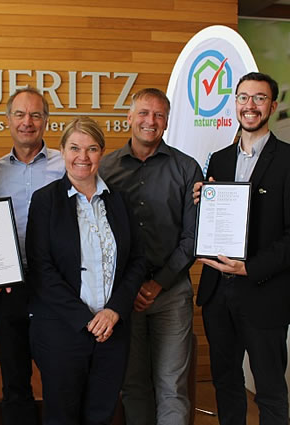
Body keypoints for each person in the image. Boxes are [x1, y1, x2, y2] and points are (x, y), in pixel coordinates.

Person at [193, 72, 290, 425]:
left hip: (266, 290)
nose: (250, 105)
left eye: (259, 98)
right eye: (244, 97)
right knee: (226, 382)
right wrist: (201, 202)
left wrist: (251, 267)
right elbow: (215, 221)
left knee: (269, 388)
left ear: (273, 106)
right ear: (234, 103)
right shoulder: (217, 159)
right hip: (218, 291)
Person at [26, 116, 146, 425]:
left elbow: (137, 261)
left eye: (91, 148)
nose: (83, 157)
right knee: (61, 417)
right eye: (75, 148)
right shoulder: (45, 201)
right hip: (62, 331)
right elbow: (42, 269)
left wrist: (113, 311)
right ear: (62, 151)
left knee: (101, 414)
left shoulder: (120, 201)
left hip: (112, 331)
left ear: (102, 153)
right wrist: (86, 319)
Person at [100, 87, 203, 425]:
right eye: (143, 113)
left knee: (172, 386)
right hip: (124, 295)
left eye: (159, 115)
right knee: (132, 385)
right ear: (128, 118)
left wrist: (159, 283)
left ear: (167, 122)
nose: (150, 121)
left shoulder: (187, 169)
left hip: (171, 293)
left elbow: (192, 237)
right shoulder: (106, 169)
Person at [0, 86, 64, 425]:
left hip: (57, 285)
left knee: (61, 374)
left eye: (35, 115)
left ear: (46, 121)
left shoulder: (68, 164)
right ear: (8, 121)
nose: (27, 122)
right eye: (19, 114)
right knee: (15, 379)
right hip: (10, 285)